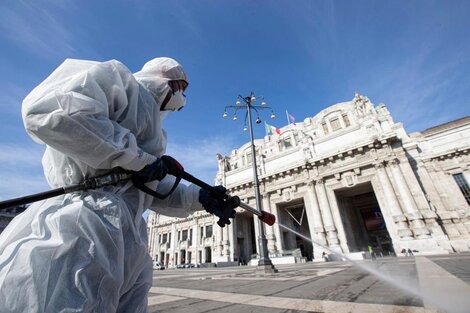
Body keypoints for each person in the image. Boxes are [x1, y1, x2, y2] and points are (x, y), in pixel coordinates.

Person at [0, 57, 236, 312]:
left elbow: (148, 188)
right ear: (163, 77)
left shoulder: (156, 131)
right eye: (180, 88)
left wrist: (198, 197)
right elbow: (48, 112)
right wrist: (138, 159)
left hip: (130, 239)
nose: (181, 98)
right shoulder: (118, 82)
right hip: (86, 221)